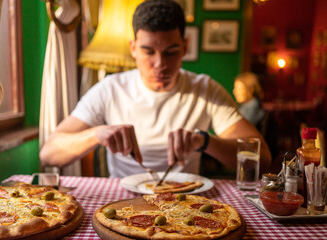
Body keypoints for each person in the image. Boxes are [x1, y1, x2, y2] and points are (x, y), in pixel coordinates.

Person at [40, 0, 271, 178]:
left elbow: (263, 159)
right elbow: (49, 153)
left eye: (170, 51)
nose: (160, 64)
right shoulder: (109, 89)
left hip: (186, 200)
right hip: (122, 200)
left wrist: (205, 141)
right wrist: (96, 134)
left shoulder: (205, 89)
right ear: (133, 49)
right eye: (149, 51)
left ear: (185, 46)